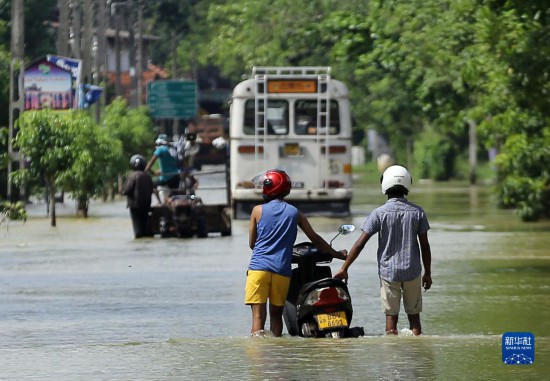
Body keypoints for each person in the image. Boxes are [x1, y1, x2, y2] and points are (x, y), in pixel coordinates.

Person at [246, 169, 347, 337]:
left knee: (257, 317)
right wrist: (337, 254)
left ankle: (258, 358)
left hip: (258, 270)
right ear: (286, 189)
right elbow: (315, 238)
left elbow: (252, 244)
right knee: (276, 317)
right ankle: (276, 355)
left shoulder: (257, 211)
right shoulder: (294, 212)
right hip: (281, 271)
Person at [333, 165, 432, 336]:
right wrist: (428, 273)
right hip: (413, 270)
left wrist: (344, 268)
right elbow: (425, 246)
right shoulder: (418, 213)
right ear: (408, 184)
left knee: (391, 319)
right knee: (414, 319)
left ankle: (392, 357)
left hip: (389, 272)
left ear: (384, 185)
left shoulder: (378, 213)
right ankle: (417, 356)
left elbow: (359, 244)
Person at [122, 154, 156, 238]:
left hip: (135, 206)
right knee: (145, 226)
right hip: (146, 205)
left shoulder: (132, 176)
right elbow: (152, 190)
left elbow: (126, 191)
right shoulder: (148, 176)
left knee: (138, 230)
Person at [144, 134, 181, 203]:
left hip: (167, 178)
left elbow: (150, 163)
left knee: (152, 184)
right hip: (176, 176)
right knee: (173, 194)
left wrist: (146, 171)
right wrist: (155, 172)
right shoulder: (172, 149)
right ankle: (168, 200)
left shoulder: (160, 149)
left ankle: (160, 202)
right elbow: (171, 165)